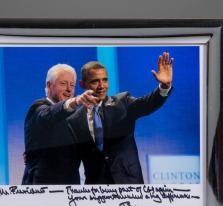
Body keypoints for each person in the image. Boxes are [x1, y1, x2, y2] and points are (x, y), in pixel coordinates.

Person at [67, 52, 174, 184]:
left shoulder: (123, 102)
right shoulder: (74, 120)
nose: (101, 86)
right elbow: (71, 161)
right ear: (82, 84)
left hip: (129, 185)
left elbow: (148, 103)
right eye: (95, 81)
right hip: (96, 190)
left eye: (105, 80)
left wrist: (164, 87)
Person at [22, 64, 98, 185]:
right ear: (48, 85)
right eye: (63, 83)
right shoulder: (38, 108)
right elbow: (50, 115)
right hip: (42, 192)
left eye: (72, 85)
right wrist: (75, 101)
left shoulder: (72, 118)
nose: (69, 89)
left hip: (70, 192)